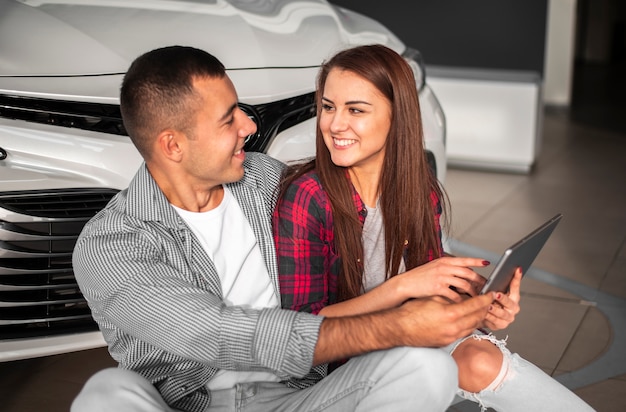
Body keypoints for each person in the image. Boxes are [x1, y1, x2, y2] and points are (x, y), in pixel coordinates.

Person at [70, 45, 499, 412]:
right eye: (228, 120)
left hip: (300, 397)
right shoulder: (110, 244)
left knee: (427, 368)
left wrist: (461, 299)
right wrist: (397, 324)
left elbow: (367, 241)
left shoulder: (267, 180)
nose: (250, 127)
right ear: (173, 145)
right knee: (105, 395)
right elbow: (215, 334)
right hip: (190, 402)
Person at [273, 44, 594, 412]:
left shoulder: (417, 188)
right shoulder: (308, 197)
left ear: (398, 116)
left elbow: (428, 282)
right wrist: (403, 286)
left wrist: (478, 306)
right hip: (345, 362)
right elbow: (297, 330)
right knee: (453, 362)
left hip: (411, 334)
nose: (335, 124)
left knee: (481, 360)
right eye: (328, 107)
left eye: (356, 110)